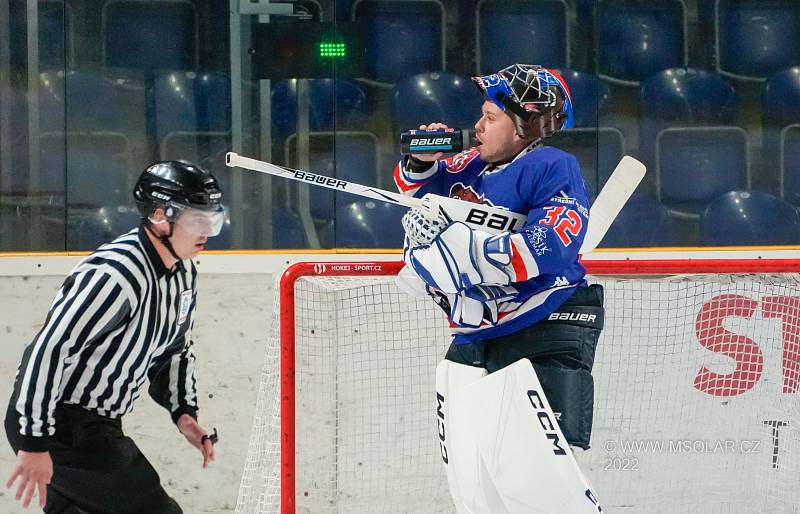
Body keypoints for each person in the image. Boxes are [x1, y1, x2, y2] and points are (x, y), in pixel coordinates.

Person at [395, 64, 605, 512]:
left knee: (539, 486)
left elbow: (552, 245)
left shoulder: (553, 166)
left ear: (525, 125)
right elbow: (417, 192)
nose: (477, 125)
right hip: (475, 338)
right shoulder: (470, 164)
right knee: (475, 489)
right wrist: (419, 163)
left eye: (490, 116)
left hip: (543, 326)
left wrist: (465, 253)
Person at [4, 160, 226, 513]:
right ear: (159, 216)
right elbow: (49, 350)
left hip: (92, 425)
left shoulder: (183, 274)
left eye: (212, 220)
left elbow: (173, 349)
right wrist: (34, 440)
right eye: (196, 220)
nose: (207, 232)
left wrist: (183, 412)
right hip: (61, 424)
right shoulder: (116, 275)